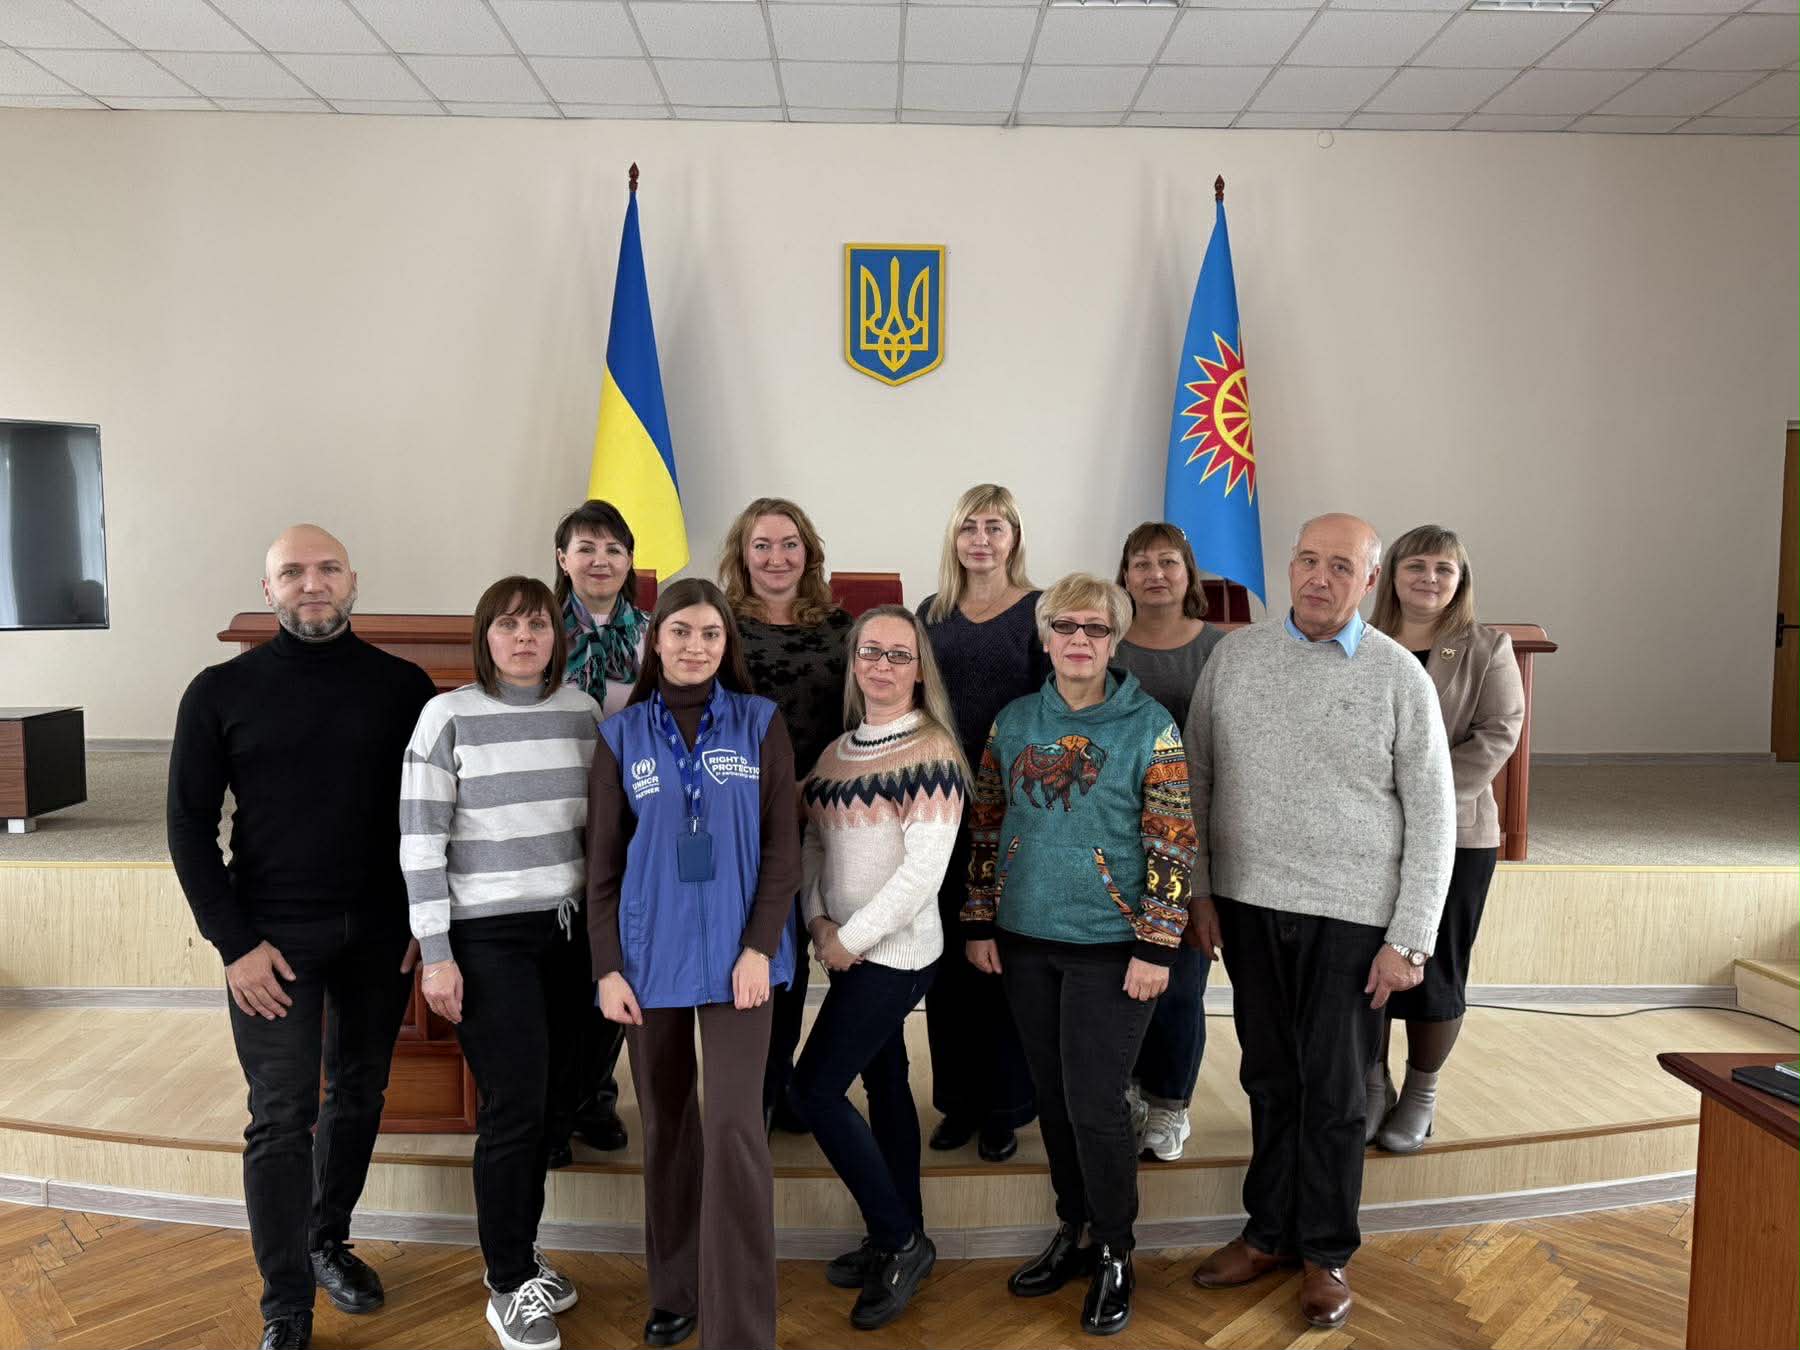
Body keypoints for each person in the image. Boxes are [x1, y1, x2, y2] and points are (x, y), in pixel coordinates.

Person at [167, 524, 437, 1350]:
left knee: (359, 1093)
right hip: (271, 943)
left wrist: (425, 920)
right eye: (292, 572)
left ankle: (327, 1241)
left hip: (381, 934)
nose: (311, 584)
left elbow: (431, 818)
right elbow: (187, 827)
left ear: (354, 581)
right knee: (281, 1115)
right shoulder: (218, 691)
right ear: (268, 588)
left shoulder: (405, 687)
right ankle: (285, 1304)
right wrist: (233, 945)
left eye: (326, 570)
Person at [1185, 513, 1455, 1330]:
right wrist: (1200, 891)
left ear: (1369, 581)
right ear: (1290, 566)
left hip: (1354, 918)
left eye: (1341, 566)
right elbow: (1195, 779)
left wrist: (1410, 940)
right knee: (1270, 1077)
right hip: (1249, 906)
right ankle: (1268, 1233)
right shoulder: (1236, 659)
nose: (1319, 577)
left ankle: (1326, 1251)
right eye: (1308, 560)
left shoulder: (1398, 675)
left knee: (1336, 1092)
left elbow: (1434, 817)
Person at [964, 573, 1196, 1338]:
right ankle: (1075, 1228)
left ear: (1115, 639)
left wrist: (1157, 943)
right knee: (1054, 1097)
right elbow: (987, 825)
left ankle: (1117, 1249)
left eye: (1095, 628)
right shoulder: (1015, 722)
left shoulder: (1150, 727)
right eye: (1065, 626)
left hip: (1114, 948)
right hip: (1026, 940)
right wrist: (981, 920)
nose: (1079, 640)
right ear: (1044, 637)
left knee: (1096, 1103)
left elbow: (1173, 840)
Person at [586, 578, 800, 1350]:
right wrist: (607, 967)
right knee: (669, 1123)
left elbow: (783, 850)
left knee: (736, 1127)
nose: (695, 646)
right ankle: (676, 1289)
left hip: (745, 961)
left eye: (710, 633)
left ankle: (739, 1327)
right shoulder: (621, 734)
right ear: (656, 640)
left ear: (726, 644)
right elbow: (602, 865)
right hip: (649, 961)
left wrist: (759, 947)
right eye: (680, 631)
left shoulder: (760, 722)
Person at [400, 576, 598, 1350]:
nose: (524, 638)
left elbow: (600, 828)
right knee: (514, 1109)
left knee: (559, 1101)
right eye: (509, 625)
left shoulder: (582, 712)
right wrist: (437, 955)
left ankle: (523, 1248)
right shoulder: (447, 717)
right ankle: (508, 1281)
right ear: (485, 637)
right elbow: (421, 844)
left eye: (538, 625)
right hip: (487, 938)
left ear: (557, 637)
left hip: (571, 932)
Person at [791, 605, 968, 1331]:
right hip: (846, 947)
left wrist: (851, 939)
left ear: (919, 669)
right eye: (871, 652)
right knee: (885, 1082)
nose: (883, 665)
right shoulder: (836, 755)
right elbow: (811, 844)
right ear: (854, 661)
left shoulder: (933, 752)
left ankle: (899, 1239)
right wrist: (817, 922)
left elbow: (923, 875)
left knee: (812, 1090)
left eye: (899, 654)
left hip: (896, 955)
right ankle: (899, 1228)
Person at [1367, 525, 1524, 1152]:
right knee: (1365, 964)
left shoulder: (1487, 647)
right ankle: (1371, 1083)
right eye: (1416, 566)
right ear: (1392, 574)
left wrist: (1418, 797)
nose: (1429, 578)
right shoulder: (1363, 642)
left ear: (1461, 581)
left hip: (1457, 835)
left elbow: (1498, 733)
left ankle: (1421, 1094)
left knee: (1436, 967)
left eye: (1444, 569)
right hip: (1368, 834)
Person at [718, 497, 854, 1133]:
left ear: (810, 552)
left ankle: (777, 1085)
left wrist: (812, 788)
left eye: (789, 544)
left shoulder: (842, 628)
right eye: (762, 545)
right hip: (739, 814)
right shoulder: (718, 625)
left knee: (794, 959)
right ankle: (743, 1092)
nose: (777, 557)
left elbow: (860, 720)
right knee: (748, 948)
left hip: (823, 812)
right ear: (742, 556)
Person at [917, 483, 1045, 1163]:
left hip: (1013, 810)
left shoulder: (1039, 612)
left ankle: (1005, 1106)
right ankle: (958, 1101)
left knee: (1001, 960)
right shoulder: (931, 613)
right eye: (970, 526)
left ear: (1014, 537)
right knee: (947, 962)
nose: (982, 539)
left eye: (995, 527)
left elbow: (1054, 709)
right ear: (954, 537)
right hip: (939, 809)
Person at [1112, 522, 1223, 1163]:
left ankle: (1170, 1104)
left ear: (1188, 574)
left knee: (1179, 987)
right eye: (1140, 563)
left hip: (1189, 843)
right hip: (1115, 840)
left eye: (1168, 562)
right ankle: (1127, 1090)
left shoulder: (1220, 649)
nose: (1154, 574)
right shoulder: (1105, 644)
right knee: (1120, 982)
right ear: (1123, 576)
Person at [546, 499, 645, 1162]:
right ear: (563, 559)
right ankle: (550, 1104)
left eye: (613, 548)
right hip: (555, 814)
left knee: (615, 955)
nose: (600, 560)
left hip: (632, 819)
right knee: (559, 966)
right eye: (586, 548)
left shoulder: (656, 634)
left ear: (630, 560)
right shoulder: (538, 630)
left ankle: (593, 1095)